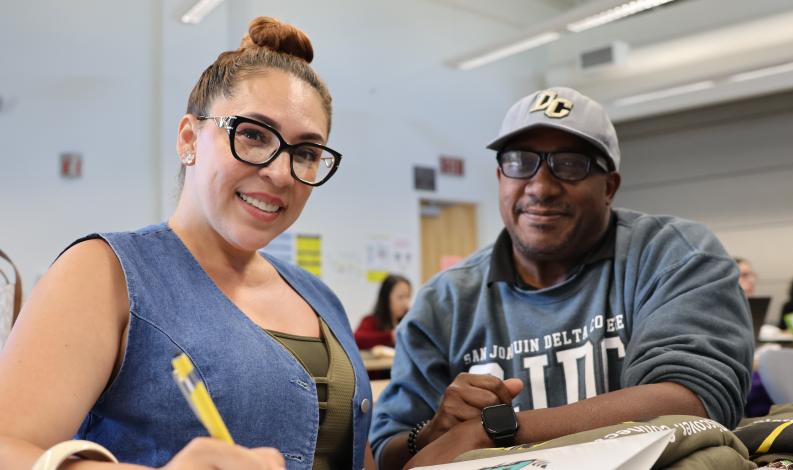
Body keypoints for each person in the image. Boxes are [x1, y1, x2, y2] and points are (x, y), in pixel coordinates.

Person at [0, 17, 372, 470]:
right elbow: (8, 447)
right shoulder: (104, 273)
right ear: (189, 138)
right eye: (253, 135)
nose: (279, 172)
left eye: (306, 152)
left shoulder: (320, 298)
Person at [369, 87, 754, 468]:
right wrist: (434, 431)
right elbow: (387, 449)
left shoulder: (673, 256)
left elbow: (694, 401)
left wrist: (494, 430)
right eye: (521, 162)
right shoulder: (446, 301)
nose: (541, 186)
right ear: (501, 176)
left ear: (609, 187)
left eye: (570, 164)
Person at [354, 274, 412, 350]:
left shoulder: (409, 322)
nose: (405, 303)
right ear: (386, 297)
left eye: (408, 297)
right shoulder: (371, 320)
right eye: (400, 297)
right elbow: (357, 339)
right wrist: (390, 336)